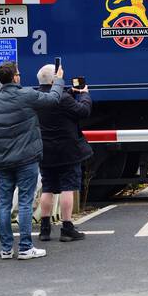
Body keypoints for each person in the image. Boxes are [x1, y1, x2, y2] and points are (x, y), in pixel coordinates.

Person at [0, 61, 65, 260]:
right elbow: (53, 99)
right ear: (15, 77)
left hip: (2, 162)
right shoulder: (27, 95)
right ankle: (26, 247)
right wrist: (58, 79)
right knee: (25, 203)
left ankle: (6, 249)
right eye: (18, 73)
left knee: (4, 204)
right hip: (26, 159)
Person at [35, 64, 92, 243]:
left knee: (48, 188)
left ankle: (44, 230)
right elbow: (83, 111)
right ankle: (67, 227)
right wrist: (84, 94)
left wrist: (69, 92)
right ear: (54, 80)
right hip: (68, 150)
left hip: (45, 150)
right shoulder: (64, 98)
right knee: (68, 187)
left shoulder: (36, 97)